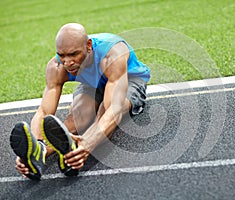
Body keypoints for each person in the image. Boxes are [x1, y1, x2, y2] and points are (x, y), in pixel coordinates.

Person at [9, 23, 150, 180]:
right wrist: (36, 142)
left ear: (88, 46)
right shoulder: (56, 66)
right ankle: (40, 153)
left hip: (129, 79)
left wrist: (87, 144)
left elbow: (113, 110)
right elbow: (43, 111)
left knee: (105, 112)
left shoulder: (112, 54)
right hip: (93, 83)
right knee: (80, 116)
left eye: (73, 54)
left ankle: (76, 149)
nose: (67, 62)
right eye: (62, 55)